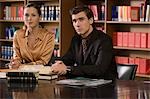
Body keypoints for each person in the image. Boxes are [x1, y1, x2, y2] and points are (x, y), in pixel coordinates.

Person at [51, 5, 118, 80]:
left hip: (105, 85)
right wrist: (55, 63)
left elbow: (99, 69)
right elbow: (68, 59)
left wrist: (69, 69)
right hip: (84, 83)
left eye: (81, 19)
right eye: (74, 21)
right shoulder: (76, 39)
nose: (77, 24)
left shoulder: (104, 40)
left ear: (91, 20)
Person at [10, 3, 55, 68]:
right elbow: (17, 57)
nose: (29, 18)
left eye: (33, 15)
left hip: (42, 73)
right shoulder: (17, 35)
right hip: (23, 72)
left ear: (39, 18)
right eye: (26, 15)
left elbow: (44, 61)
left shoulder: (49, 36)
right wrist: (15, 63)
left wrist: (23, 66)